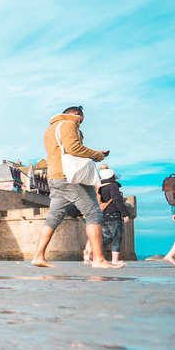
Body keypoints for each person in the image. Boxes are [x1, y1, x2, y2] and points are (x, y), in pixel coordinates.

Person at [31, 105, 114, 268]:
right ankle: (99, 259)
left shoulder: (51, 129)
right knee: (93, 213)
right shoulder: (69, 124)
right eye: (81, 117)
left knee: (54, 216)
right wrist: (97, 154)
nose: (81, 121)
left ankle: (38, 256)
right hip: (70, 177)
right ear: (76, 114)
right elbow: (73, 148)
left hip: (54, 177)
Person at [95, 167, 128, 266]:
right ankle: (115, 260)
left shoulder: (99, 187)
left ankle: (93, 252)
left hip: (103, 215)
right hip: (114, 215)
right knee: (117, 237)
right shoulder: (113, 186)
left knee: (106, 237)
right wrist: (125, 214)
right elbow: (118, 200)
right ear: (112, 176)